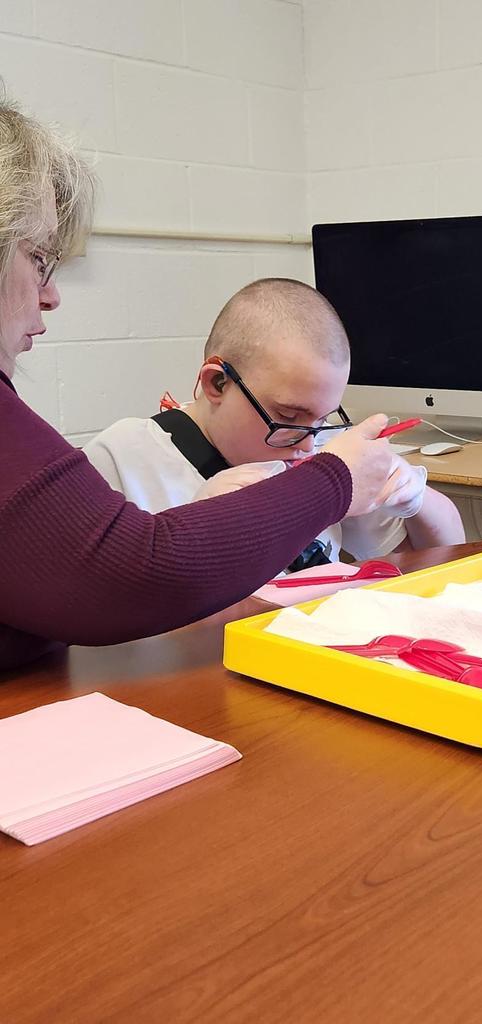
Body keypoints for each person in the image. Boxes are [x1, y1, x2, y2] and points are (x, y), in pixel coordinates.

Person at [0, 93, 394, 672]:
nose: (50, 293)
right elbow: (133, 576)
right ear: (215, 382)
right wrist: (337, 479)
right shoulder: (128, 453)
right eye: (38, 258)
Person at [84, 279, 465, 571]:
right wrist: (196, 533)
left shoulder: (319, 447)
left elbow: (443, 558)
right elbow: (97, 624)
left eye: (323, 417)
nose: (306, 447)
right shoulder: (120, 460)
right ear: (217, 382)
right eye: (288, 416)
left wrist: (415, 498)